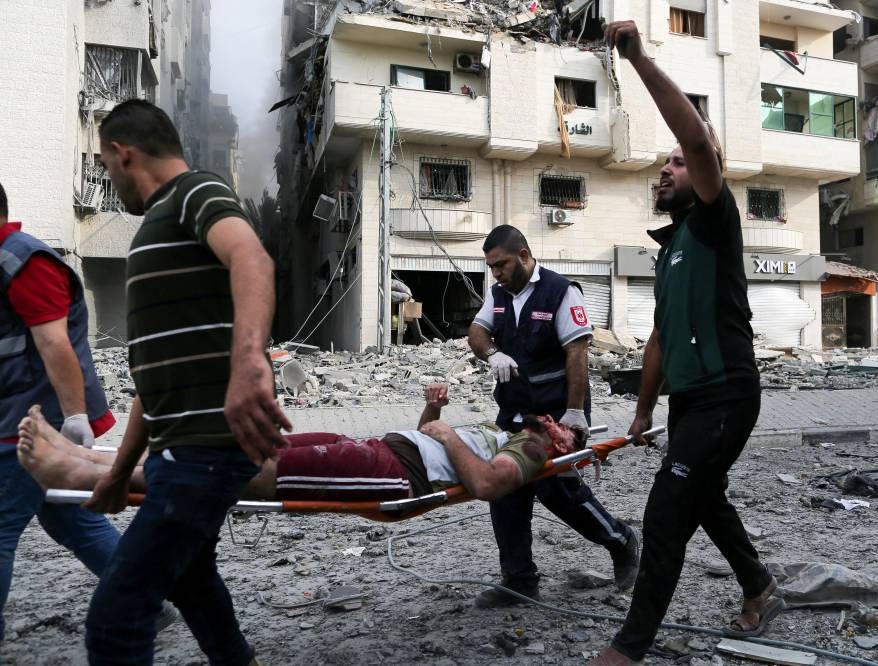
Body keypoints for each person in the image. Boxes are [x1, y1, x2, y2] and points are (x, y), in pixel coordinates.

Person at [589, 21, 782, 665]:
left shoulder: (715, 221)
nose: (666, 169)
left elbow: (697, 138)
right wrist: (643, 410)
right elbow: (660, 342)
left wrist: (639, 58)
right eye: (665, 164)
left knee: (669, 511)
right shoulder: (669, 251)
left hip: (728, 394)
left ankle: (630, 646)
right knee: (704, 497)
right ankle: (758, 585)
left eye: (677, 163)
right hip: (688, 403)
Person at [81, 99, 292, 666]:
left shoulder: (196, 191)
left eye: (104, 165)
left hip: (205, 452)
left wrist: (250, 361)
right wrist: (120, 473)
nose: (107, 177)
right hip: (182, 449)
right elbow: (156, 381)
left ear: (123, 154)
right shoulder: (156, 223)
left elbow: (252, 257)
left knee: (116, 618)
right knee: (192, 581)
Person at [0, 181, 175, 642]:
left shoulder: (22, 261)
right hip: (20, 414)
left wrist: (74, 419)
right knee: (70, 518)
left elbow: (55, 345)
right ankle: (146, 604)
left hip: (31, 421)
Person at [16, 385, 582, 505]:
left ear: (562, 447)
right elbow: (430, 439)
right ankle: (90, 459)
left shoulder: (533, 454)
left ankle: (84, 474)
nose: (555, 423)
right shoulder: (513, 432)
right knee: (260, 445)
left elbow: (483, 485)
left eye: (566, 431)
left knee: (244, 467)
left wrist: (449, 433)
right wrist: (433, 414)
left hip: (390, 472)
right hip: (382, 448)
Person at [468, 224, 639, 608]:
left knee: (556, 490)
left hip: (555, 412)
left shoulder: (562, 292)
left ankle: (620, 539)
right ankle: (520, 580)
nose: (496, 273)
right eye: (491, 267)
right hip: (513, 410)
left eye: (502, 264)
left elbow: (576, 354)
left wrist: (575, 414)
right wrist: (492, 352)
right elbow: (477, 332)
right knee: (505, 488)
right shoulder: (498, 295)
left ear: (525, 256)